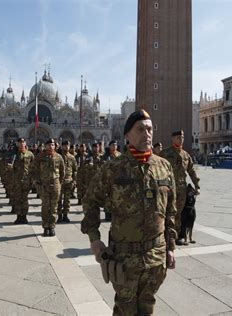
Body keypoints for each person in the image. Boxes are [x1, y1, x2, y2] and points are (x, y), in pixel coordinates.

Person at [81, 109, 177, 315]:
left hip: (155, 255)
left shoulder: (164, 167)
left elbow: (171, 211)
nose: (147, 133)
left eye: (150, 129)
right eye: (140, 129)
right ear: (127, 135)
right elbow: (90, 201)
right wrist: (94, 239)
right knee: (125, 309)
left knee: (148, 307)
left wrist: (170, 246)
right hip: (124, 258)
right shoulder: (113, 168)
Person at [159, 130, 200, 246]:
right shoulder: (164, 153)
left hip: (181, 189)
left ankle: (177, 236)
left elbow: (191, 171)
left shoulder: (185, 155)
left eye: (182, 137)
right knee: (167, 211)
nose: (181, 139)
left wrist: (197, 186)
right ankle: (164, 234)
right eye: (178, 137)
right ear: (172, 139)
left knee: (179, 212)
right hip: (168, 187)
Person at [31, 138, 65, 236]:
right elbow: (34, 170)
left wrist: (59, 183)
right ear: (45, 146)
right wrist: (37, 182)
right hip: (44, 185)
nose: (51, 146)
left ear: (55, 146)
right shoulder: (40, 157)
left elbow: (62, 172)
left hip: (55, 185)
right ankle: (46, 226)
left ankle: (52, 226)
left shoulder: (59, 157)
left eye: (53, 145)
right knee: (46, 206)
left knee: (54, 207)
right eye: (49, 145)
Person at [9, 137, 35, 224]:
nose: (21, 144)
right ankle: (18, 216)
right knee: (17, 199)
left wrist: (33, 180)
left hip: (26, 181)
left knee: (24, 199)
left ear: (25, 143)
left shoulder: (30, 154)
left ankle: (24, 216)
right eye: (19, 142)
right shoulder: (13, 154)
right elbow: (8, 167)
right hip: (16, 180)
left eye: (23, 142)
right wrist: (9, 168)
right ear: (17, 144)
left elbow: (34, 167)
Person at [57, 140, 77, 223]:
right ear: (62, 146)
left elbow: (75, 170)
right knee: (59, 200)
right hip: (59, 181)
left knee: (67, 200)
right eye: (65, 146)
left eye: (68, 146)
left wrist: (74, 180)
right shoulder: (58, 156)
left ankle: (65, 215)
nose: (66, 147)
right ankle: (59, 215)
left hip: (69, 181)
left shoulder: (72, 157)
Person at [103, 140, 121, 221]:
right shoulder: (106, 156)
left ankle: (115, 213)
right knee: (107, 197)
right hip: (108, 179)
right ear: (109, 146)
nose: (114, 147)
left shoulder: (119, 155)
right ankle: (107, 213)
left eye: (115, 145)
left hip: (117, 179)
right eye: (113, 145)